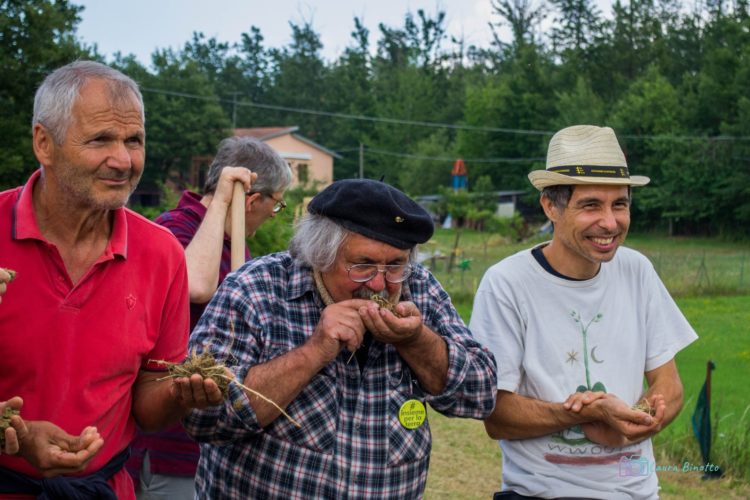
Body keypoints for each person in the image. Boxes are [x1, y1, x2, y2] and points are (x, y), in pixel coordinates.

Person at [182, 178, 498, 498]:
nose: (378, 284)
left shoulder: (420, 288)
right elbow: (203, 419)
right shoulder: (256, 288)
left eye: (395, 265)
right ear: (320, 255)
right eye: (362, 265)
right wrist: (313, 352)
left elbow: (481, 396)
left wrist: (416, 341)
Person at [0, 60, 223, 499]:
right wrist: (11, 434)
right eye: (101, 139)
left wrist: (182, 394)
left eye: (133, 140)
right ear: (44, 143)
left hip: (103, 489)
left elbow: (148, 406)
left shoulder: (161, 255)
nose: (122, 160)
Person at [470, 125, 698, 499]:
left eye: (619, 204)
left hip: (637, 491)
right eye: (591, 205)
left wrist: (636, 418)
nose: (610, 223)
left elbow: (669, 387)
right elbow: (496, 417)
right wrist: (586, 413)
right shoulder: (507, 284)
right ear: (550, 206)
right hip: (541, 493)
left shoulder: (636, 270)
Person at [128, 136, 292, 498]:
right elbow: (194, 287)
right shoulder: (172, 228)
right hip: (170, 445)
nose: (272, 215)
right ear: (252, 200)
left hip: (214, 441)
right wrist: (221, 199)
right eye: (276, 205)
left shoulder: (235, 242)